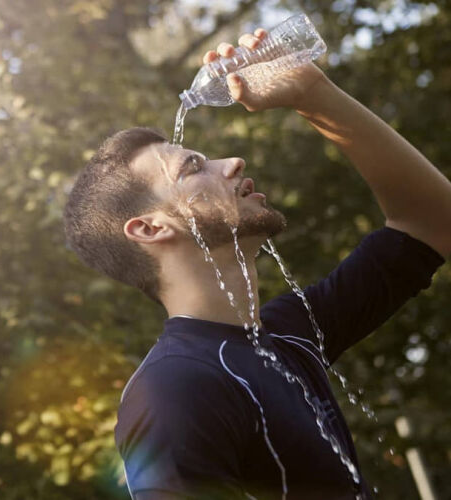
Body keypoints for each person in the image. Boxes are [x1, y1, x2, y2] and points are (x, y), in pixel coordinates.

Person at [62, 27, 451, 499]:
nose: (233, 162)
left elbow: (431, 223)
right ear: (150, 228)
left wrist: (312, 94)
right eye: (193, 167)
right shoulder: (172, 390)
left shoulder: (290, 331)